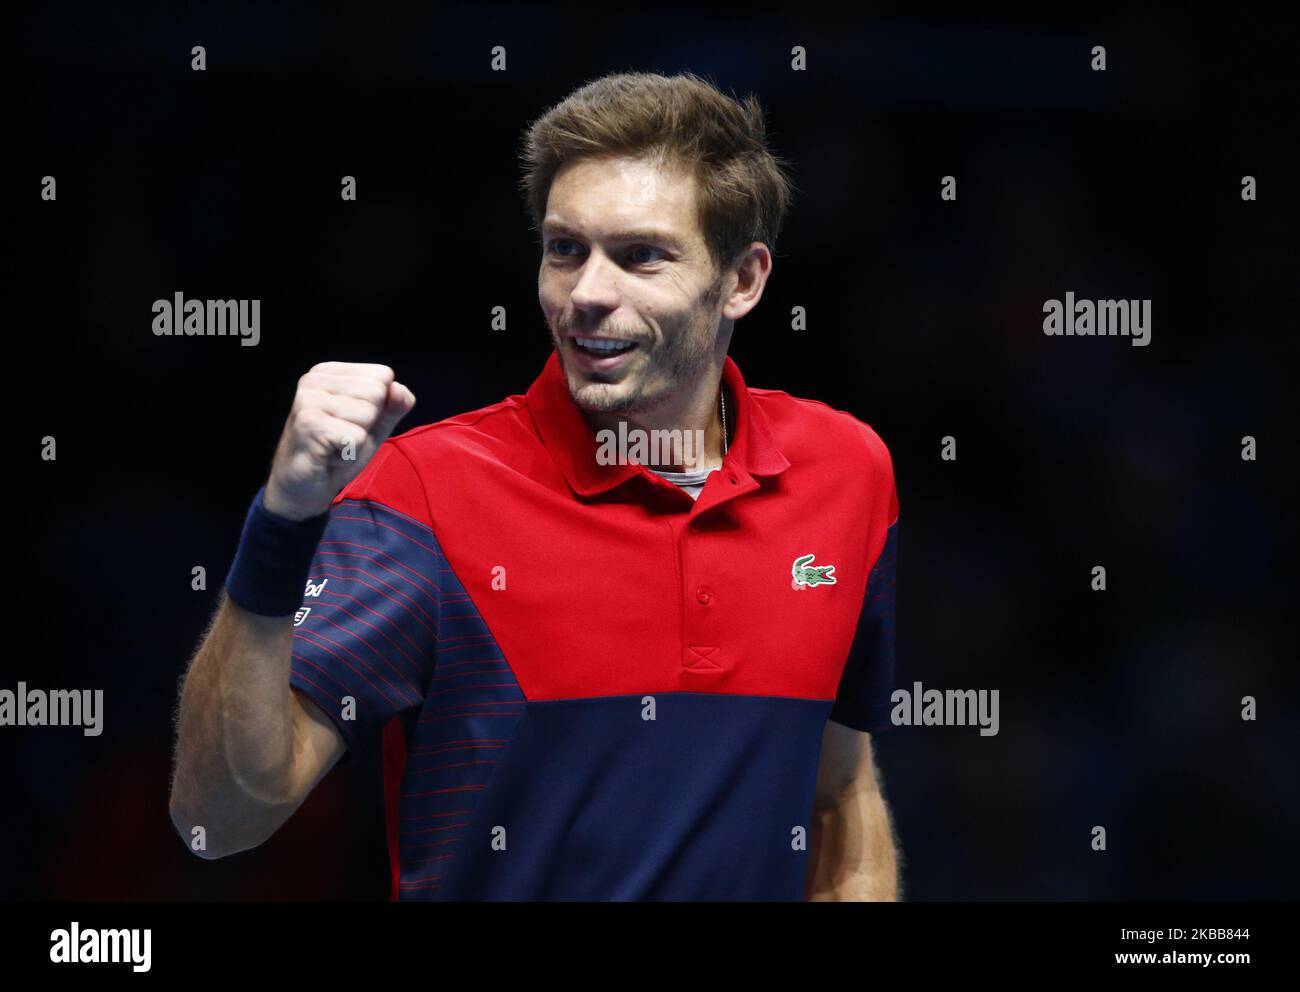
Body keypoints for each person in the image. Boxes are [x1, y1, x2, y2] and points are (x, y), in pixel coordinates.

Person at [169, 70, 901, 901]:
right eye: (565, 249)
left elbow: (840, 793)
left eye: (640, 256)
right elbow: (219, 818)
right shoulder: (423, 492)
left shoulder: (847, 472)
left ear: (742, 280)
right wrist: (283, 521)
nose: (586, 294)